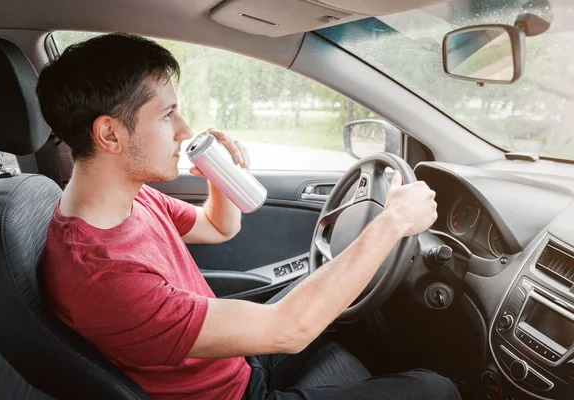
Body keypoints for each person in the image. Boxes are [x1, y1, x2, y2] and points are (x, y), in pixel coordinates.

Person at [38, 33, 460, 400]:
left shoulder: (128, 199)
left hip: (231, 361)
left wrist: (221, 177)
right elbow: (289, 330)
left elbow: (220, 227)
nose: (184, 130)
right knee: (438, 390)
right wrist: (391, 223)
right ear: (110, 133)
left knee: (342, 303)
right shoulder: (103, 275)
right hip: (233, 394)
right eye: (167, 115)